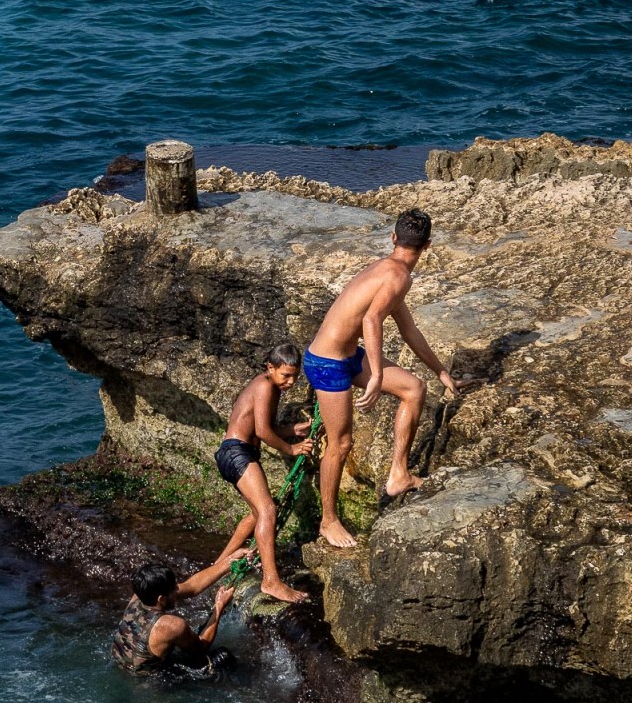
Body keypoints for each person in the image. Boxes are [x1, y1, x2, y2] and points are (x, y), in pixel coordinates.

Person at [304, 208, 467, 549]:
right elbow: (372, 320)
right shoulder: (397, 277)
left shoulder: (390, 270)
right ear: (428, 245)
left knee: (413, 389)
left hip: (348, 356)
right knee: (341, 444)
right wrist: (376, 374)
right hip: (326, 363)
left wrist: (442, 373)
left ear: (393, 239)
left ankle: (399, 475)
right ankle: (328, 521)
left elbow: (408, 329)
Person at [213, 344, 316, 603]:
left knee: (257, 514)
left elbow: (264, 427)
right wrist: (292, 448)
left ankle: (218, 564)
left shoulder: (269, 385)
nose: (291, 382)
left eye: (295, 376)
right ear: (270, 368)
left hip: (235, 453)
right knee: (268, 510)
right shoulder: (264, 386)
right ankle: (271, 581)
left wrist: (294, 429)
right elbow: (262, 432)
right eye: (286, 375)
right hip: (237, 453)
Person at [111, 548, 250, 678]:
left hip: (123, 665)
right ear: (161, 599)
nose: (178, 590)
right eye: (174, 589)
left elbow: (192, 587)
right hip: (152, 681)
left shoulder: (140, 595)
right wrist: (219, 607)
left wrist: (230, 560)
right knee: (223, 657)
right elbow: (201, 648)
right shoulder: (170, 625)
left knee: (193, 635)